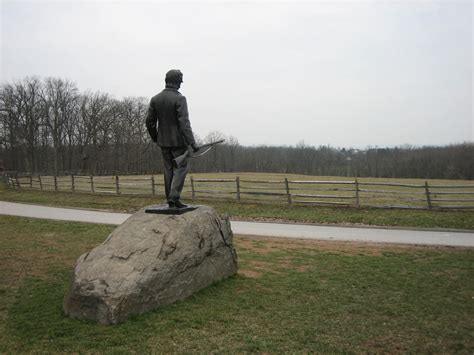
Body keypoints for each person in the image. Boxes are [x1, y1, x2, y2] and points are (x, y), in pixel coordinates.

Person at [146, 69, 198, 208]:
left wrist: (157, 137)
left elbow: (149, 122)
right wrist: (192, 142)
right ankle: (174, 197)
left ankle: (171, 199)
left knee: (168, 169)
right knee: (181, 168)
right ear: (176, 82)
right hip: (178, 143)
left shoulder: (155, 99)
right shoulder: (180, 98)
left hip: (164, 142)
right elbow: (184, 123)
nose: (181, 84)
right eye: (180, 81)